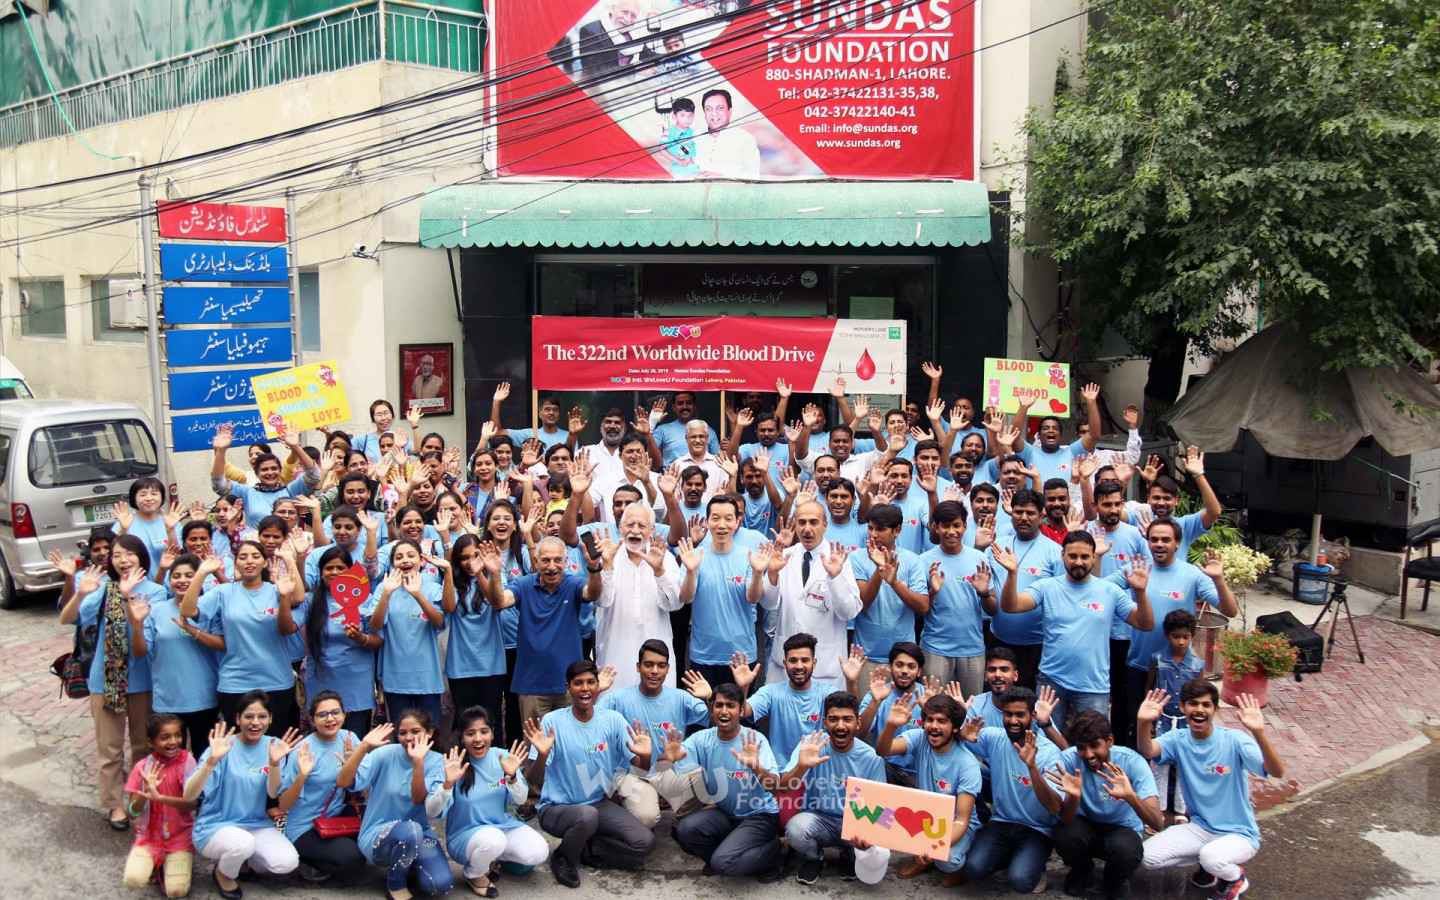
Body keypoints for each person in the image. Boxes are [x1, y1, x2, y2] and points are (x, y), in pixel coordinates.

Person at [995, 531, 1153, 734]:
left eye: (1085, 556)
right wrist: (1012, 574)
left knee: (1094, 742)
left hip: (1093, 684)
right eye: (1073, 556)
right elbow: (1011, 606)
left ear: (1094, 557)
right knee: (1046, 742)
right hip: (1051, 682)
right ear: (1063, 555)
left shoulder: (1109, 590)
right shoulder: (1047, 586)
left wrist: (1140, 593)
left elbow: (1144, 623)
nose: (1079, 562)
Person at [1139, 681, 1285, 900]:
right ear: (1182, 708)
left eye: (1206, 705)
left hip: (1239, 834)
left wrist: (1259, 732)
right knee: (1147, 857)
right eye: (1193, 704)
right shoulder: (1178, 740)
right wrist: (1143, 722)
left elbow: (1277, 771)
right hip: (1200, 828)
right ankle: (1210, 867)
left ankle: (1234, 877)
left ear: (1216, 710)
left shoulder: (1235, 740)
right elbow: (1148, 750)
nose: (1199, 710)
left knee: (1212, 857)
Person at [59, 534, 166, 830]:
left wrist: (129, 600)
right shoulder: (103, 588)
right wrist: (81, 593)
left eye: (129, 554)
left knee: (143, 745)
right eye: (117, 555)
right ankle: (114, 805)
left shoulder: (156, 592)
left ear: (141, 557)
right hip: (105, 680)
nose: (123, 560)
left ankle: (139, 796)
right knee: (110, 749)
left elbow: (143, 648)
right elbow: (68, 619)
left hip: (142, 679)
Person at [525, 660, 657, 887]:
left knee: (645, 842)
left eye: (590, 682)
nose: (585, 688)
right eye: (578, 683)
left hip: (597, 804)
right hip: (557, 808)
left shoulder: (612, 720)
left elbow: (641, 769)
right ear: (568, 688)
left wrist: (646, 756)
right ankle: (563, 857)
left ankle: (588, 848)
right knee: (587, 816)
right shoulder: (552, 721)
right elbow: (532, 780)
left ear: (598, 686)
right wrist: (542, 756)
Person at [1116, 522, 1237, 746]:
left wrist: (1219, 580)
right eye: (1154, 539)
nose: (1159, 544)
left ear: (1178, 542)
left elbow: (1230, 610)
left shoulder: (1192, 574)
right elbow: (1098, 587)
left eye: (1166, 539)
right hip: (1139, 665)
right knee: (1138, 728)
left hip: (1177, 670)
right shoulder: (1136, 569)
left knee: (1178, 730)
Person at [652, 683, 786, 881]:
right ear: (712, 710)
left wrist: (756, 766)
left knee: (723, 862)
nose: (724, 711)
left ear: (741, 711)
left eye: (730, 705)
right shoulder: (701, 739)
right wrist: (668, 758)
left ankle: (779, 849)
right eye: (719, 705)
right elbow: (662, 768)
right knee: (685, 830)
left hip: (758, 815)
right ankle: (731, 855)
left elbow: (774, 788)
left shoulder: (754, 739)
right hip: (726, 813)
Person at [186, 695, 301, 900]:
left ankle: (241, 861)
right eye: (249, 716)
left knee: (287, 862)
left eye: (262, 716)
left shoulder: (274, 746)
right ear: (238, 719)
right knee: (242, 844)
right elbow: (189, 794)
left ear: (270, 718)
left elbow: (273, 792)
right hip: (215, 826)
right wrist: (211, 761)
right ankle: (223, 873)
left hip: (255, 824)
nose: (255, 722)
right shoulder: (222, 747)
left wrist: (274, 764)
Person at [183, 542, 304, 733]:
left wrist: (289, 559)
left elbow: (298, 598)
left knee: (274, 743)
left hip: (276, 681)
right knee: (238, 742)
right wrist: (202, 572)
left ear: (265, 562)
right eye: (243, 557)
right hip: (235, 683)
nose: (249, 561)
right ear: (236, 564)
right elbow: (188, 610)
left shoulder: (276, 590)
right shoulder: (224, 592)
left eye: (255, 556)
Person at [1042, 710, 1162, 900]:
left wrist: (1131, 796)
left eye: (1095, 745)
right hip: (1085, 824)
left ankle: (1115, 879)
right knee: (1064, 835)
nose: (1089, 754)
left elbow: (1157, 823)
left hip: (1122, 828)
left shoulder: (1133, 762)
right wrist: (1074, 797)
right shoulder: (1068, 760)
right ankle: (1082, 870)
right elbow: (1064, 819)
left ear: (1110, 741)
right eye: (1081, 747)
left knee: (1127, 852)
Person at [484, 536, 603, 723]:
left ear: (566, 561)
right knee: (535, 739)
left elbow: (593, 594)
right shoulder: (523, 585)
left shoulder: (573, 584)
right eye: (546, 560)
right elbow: (499, 602)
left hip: (569, 685)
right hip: (532, 685)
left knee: (570, 737)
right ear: (536, 561)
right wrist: (494, 573)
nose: (552, 566)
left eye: (557, 560)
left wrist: (594, 567)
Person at [336, 711, 455, 900]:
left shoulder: (439, 762)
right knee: (410, 830)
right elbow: (343, 782)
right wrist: (364, 747)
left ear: (430, 732)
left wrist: (418, 763)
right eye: (402, 733)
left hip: (420, 834)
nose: (408, 738)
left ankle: (406, 864)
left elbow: (419, 801)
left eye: (415, 731)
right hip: (377, 833)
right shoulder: (385, 753)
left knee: (439, 884)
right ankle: (395, 885)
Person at [777, 692, 890, 885]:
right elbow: (785, 788)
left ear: (858, 723)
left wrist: (867, 834)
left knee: (877, 841)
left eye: (847, 719)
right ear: (824, 722)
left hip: (854, 822)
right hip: (818, 819)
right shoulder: (811, 745)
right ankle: (815, 858)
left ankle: (848, 854)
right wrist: (802, 766)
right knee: (794, 830)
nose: (840, 726)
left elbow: (880, 806)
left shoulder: (871, 758)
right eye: (833, 719)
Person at [959, 687, 1063, 894]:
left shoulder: (1051, 754)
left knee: (1021, 881)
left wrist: (1032, 767)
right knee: (973, 869)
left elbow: (1054, 807)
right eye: (1008, 714)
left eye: (1020, 715)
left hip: (1036, 829)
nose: (1013, 720)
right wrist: (961, 733)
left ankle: (1036, 864)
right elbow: (959, 742)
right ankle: (1010, 857)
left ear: (1033, 716)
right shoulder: (994, 737)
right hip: (1001, 822)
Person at [597, 639, 710, 828]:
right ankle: (631, 804)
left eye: (661, 665)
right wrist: (595, 692)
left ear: (668, 669)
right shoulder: (617, 698)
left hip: (668, 772)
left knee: (709, 776)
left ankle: (679, 823)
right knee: (647, 818)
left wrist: (709, 699)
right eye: (648, 665)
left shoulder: (681, 698)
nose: (655, 671)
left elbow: (719, 723)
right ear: (638, 667)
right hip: (633, 774)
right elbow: (590, 725)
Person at [875, 693, 983, 886]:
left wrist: (933, 847)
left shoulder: (968, 764)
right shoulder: (920, 738)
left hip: (955, 824)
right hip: (926, 817)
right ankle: (923, 859)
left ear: (955, 727)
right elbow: (883, 751)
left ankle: (960, 864)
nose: (934, 726)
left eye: (942, 721)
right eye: (930, 719)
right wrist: (891, 725)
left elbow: (962, 819)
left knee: (947, 862)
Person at [756, 501, 861, 689]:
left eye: (813, 522)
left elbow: (849, 612)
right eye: (802, 522)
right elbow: (768, 603)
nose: (807, 529)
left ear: (825, 525)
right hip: (786, 661)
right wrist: (771, 574)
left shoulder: (839, 561)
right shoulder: (784, 556)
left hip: (824, 664)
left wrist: (835, 578)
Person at [445, 706, 548, 896]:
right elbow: (433, 811)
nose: (478, 738)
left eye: (484, 731)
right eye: (470, 733)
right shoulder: (454, 764)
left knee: (538, 851)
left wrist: (512, 777)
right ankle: (474, 873)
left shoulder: (503, 756)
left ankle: (491, 859)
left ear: (492, 733)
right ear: (462, 737)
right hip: (465, 837)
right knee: (494, 840)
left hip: (500, 828)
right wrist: (447, 784)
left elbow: (520, 798)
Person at [129, 552, 222, 752]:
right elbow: (139, 651)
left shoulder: (210, 607)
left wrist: (191, 629)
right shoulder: (156, 610)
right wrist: (137, 624)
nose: (182, 581)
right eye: (176, 576)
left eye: (189, 575)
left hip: (204, 697)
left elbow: (221, 644)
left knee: (204, 754)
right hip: (168, 699)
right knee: (169, 756)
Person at [277, 692, 366, 883]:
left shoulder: (350, 738)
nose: (330, 719)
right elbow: (284, 804)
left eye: (335, 712)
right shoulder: (303, 750)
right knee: (353, 859)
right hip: (306, 826)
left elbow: (364, 783)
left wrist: (352, 766)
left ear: (344, 714)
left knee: (377, 835)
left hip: (337, 815)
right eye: (322, 715)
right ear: (312, 720)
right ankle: (305, 860)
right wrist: (301, 776)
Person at [985, 489, 1066, 687]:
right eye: (1018, 512)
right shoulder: (996, 548)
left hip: (1036, 644)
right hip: (998, 639)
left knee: (1028, 698)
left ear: (1041, 515)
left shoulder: (1055, 552)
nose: (1023, 517)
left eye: (1030, 513)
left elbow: (1060, 600)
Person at [596, 504, 683, 686]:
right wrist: (607, 567)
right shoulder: (609, 556)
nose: (635, 531)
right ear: (621, 528)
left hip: (657, 652)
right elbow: (602, 600)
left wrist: (659, 572)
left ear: (651, 530)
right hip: (615, 650)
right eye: (630, 525)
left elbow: (675, 605)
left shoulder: (664, 558)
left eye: (642, 526)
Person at [369, 540, 452, 724]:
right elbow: (375, 625)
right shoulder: (384, 588)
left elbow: (439, 622)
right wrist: (387, 593)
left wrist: (417, 595)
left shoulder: (432, 588)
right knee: (401, 733)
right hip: (395, 677)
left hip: (427, 677)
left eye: (410, 555)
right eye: (399, 557)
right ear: (392, 564)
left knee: (430, 732)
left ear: (421, 561)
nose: (405, 560)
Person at [302, 547, 381, 736]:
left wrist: (361, 638)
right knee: (323, 740)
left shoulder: (364, 599)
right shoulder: (309, 601)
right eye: (329, 568)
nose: (334, 572)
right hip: (320, 679)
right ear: (321, 572)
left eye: (340, 568)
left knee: (355, 741)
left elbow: (378, 640)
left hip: (356, 683)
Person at [686, 495, 762, 688]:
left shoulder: (749, 557)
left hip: (741, 655)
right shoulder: (694, 557)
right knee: (704, 706)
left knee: (741, 706)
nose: (722, 525)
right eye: (715, 518)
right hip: (704, 654)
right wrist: (691, 571)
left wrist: (758, 573)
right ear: (707, 521)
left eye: (728, 519)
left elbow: (753, 598)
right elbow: (686, 598)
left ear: (737, 522)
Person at [850, 503, 929, 686]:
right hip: (866, 656)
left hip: (903, 658)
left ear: (897, 531)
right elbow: (862, 604)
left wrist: (894, 582)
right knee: (867, 705)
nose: (873, 534)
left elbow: (923, 607)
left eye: (880, 529)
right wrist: (880, 570)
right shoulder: (856, 558)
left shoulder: (912, 560)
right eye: (870, 528)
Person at [121, 714, 199, 898]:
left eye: (177, 735)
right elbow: (132, 813)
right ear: (151, 742)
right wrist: (145, 794)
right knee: (133, 879)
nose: (174, 741)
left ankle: (176, 862)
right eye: (165, 737)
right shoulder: (142, 767)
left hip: (180, 837)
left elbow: (192, 804)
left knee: (176, 891)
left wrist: (161, 798)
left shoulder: (188, 762)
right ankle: (158, 863)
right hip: (149, 838)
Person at [918, 500, 989, 696]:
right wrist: (933, 592)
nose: (951, 531)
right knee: (933, 706)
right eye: (945, 526)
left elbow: (992, 608)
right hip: (935, 648)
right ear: (936, 527)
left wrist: (984, 592)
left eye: (956, 525)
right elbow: (919, 610)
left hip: (973, 648)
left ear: (965, 527)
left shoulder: (980, 558)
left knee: (971, 707)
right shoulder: (924, 561)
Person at [444, 535, 509, 742]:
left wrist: (481, 572)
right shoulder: (453, 582)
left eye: (475, 556)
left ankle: (497, 761)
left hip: (491, 665)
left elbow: (496, 602)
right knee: (466, 726)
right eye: (464, 558)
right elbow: (449, 607)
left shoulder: (494, 575)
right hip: (460, 666)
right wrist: (448, 572)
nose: (470, 562)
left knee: (493, 723)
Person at [1145, 610, 1207, 821]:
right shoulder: (1157, 660)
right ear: (1167, 635)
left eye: (1185, 637)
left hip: (1186, 723)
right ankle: (1159, 809)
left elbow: (1201, 695)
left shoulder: (1197, 665)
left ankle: (1181, 809)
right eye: (1175, 636)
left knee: (1184, 764)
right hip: (1162, 719)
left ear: (1192, 636)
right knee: (1160, 764)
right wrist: (1150, 720)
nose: (1181, 642)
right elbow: (1149, 689)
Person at [209, 424, 321, 528]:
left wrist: (296, 447)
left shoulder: (291, 490)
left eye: (274, 468)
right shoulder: (248, 493)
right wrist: (220, 451)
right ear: (257, 474)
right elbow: (219, 485)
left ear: (280, 471)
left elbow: (314, 476)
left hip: (290, 542)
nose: (270, 472)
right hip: (256, 542)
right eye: (264, 469)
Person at [855, 641, 928, 787]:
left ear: (919, 671)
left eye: (911, 666)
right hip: (885, 767)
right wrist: (876, 701)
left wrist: (929, 710)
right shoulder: (877, 693)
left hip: (919, 771)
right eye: (899, 665)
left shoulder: (928, 696)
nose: (904, 671)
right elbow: (858, 735)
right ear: (890, 667)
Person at [111, 476, 182, 580]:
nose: (149, 498)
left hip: (169, 582)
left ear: (162, 497)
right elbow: (113, 555)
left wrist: (171, 530)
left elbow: (177, 555)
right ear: (134, 499)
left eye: (154, 493)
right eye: (143, 494)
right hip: (135, 583)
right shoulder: (123, 525)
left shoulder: (172, 523)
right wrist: (124, 530)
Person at [694, 89, 760, 177]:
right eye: (708, 109)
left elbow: (754, 176)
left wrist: (722, 176)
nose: (714, 113)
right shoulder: (694, 137)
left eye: (720, 108)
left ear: (730, 111)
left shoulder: (746, 139)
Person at [652, 392, 719, 464]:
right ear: (674, 407)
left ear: (694, 406)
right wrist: (651, 424)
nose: (684, 407)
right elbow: (651, 459)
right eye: (680, 403)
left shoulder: (707, 430)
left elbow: (718, 460)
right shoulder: (662, 430)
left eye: (688, 403)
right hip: (673, 471)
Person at [659, 97, 699, 176]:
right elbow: (662, 149)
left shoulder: (692, 132)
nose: (686, 119)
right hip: (679, 168)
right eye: (682, 115)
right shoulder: (670, 131)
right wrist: (678, 161)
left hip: (695, 167)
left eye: (690, 116)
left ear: (694, 116)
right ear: (674, 117)